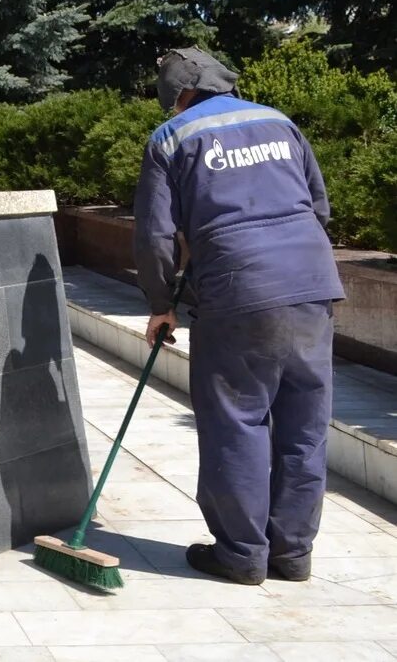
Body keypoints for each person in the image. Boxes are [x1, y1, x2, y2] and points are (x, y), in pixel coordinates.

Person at [134, 47, 345, 586]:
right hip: (311, 281)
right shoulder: (279, 121)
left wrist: (161, 305)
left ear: (178, 94)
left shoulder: (172, 138)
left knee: (237, 419)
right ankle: (292, 554)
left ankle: (242, 554)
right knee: (304, 423)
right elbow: (318, 206)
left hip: (237, 289)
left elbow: (156, 235)